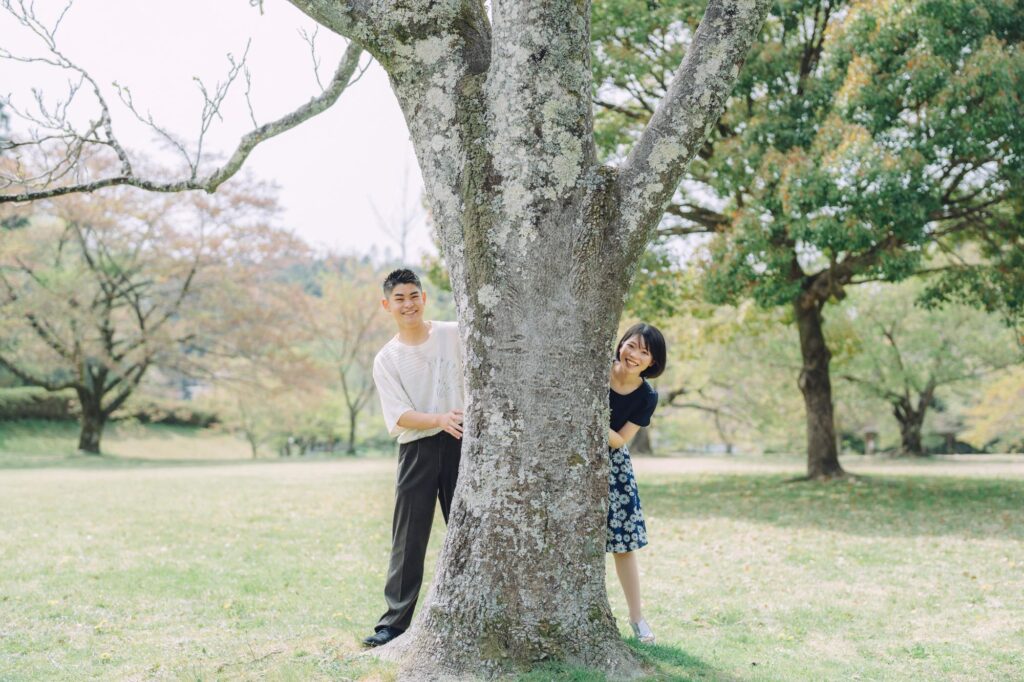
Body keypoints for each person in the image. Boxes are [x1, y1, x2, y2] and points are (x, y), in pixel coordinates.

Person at [362, 268, 465, 648]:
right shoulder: (386, 358)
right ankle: (394, 623)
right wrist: (439, 418)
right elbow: (399, 415)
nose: (408, 304)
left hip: (462, 443)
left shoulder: (454, 334)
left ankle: (468, 609)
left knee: (468, 529)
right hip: (417, 448)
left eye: (414, 295)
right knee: (409, 538)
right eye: (399, 299)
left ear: (424, 298)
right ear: (387, 305)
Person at [606, 322, 666, 645]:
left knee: (624, 546)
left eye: (644, 352)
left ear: (652, 363)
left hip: (614, 468)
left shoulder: (647, 396)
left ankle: (637, 618)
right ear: (621, 343)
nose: (634, 355)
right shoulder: (596, 367)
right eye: (631, 345)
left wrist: (589, 415)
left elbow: (619, 441)